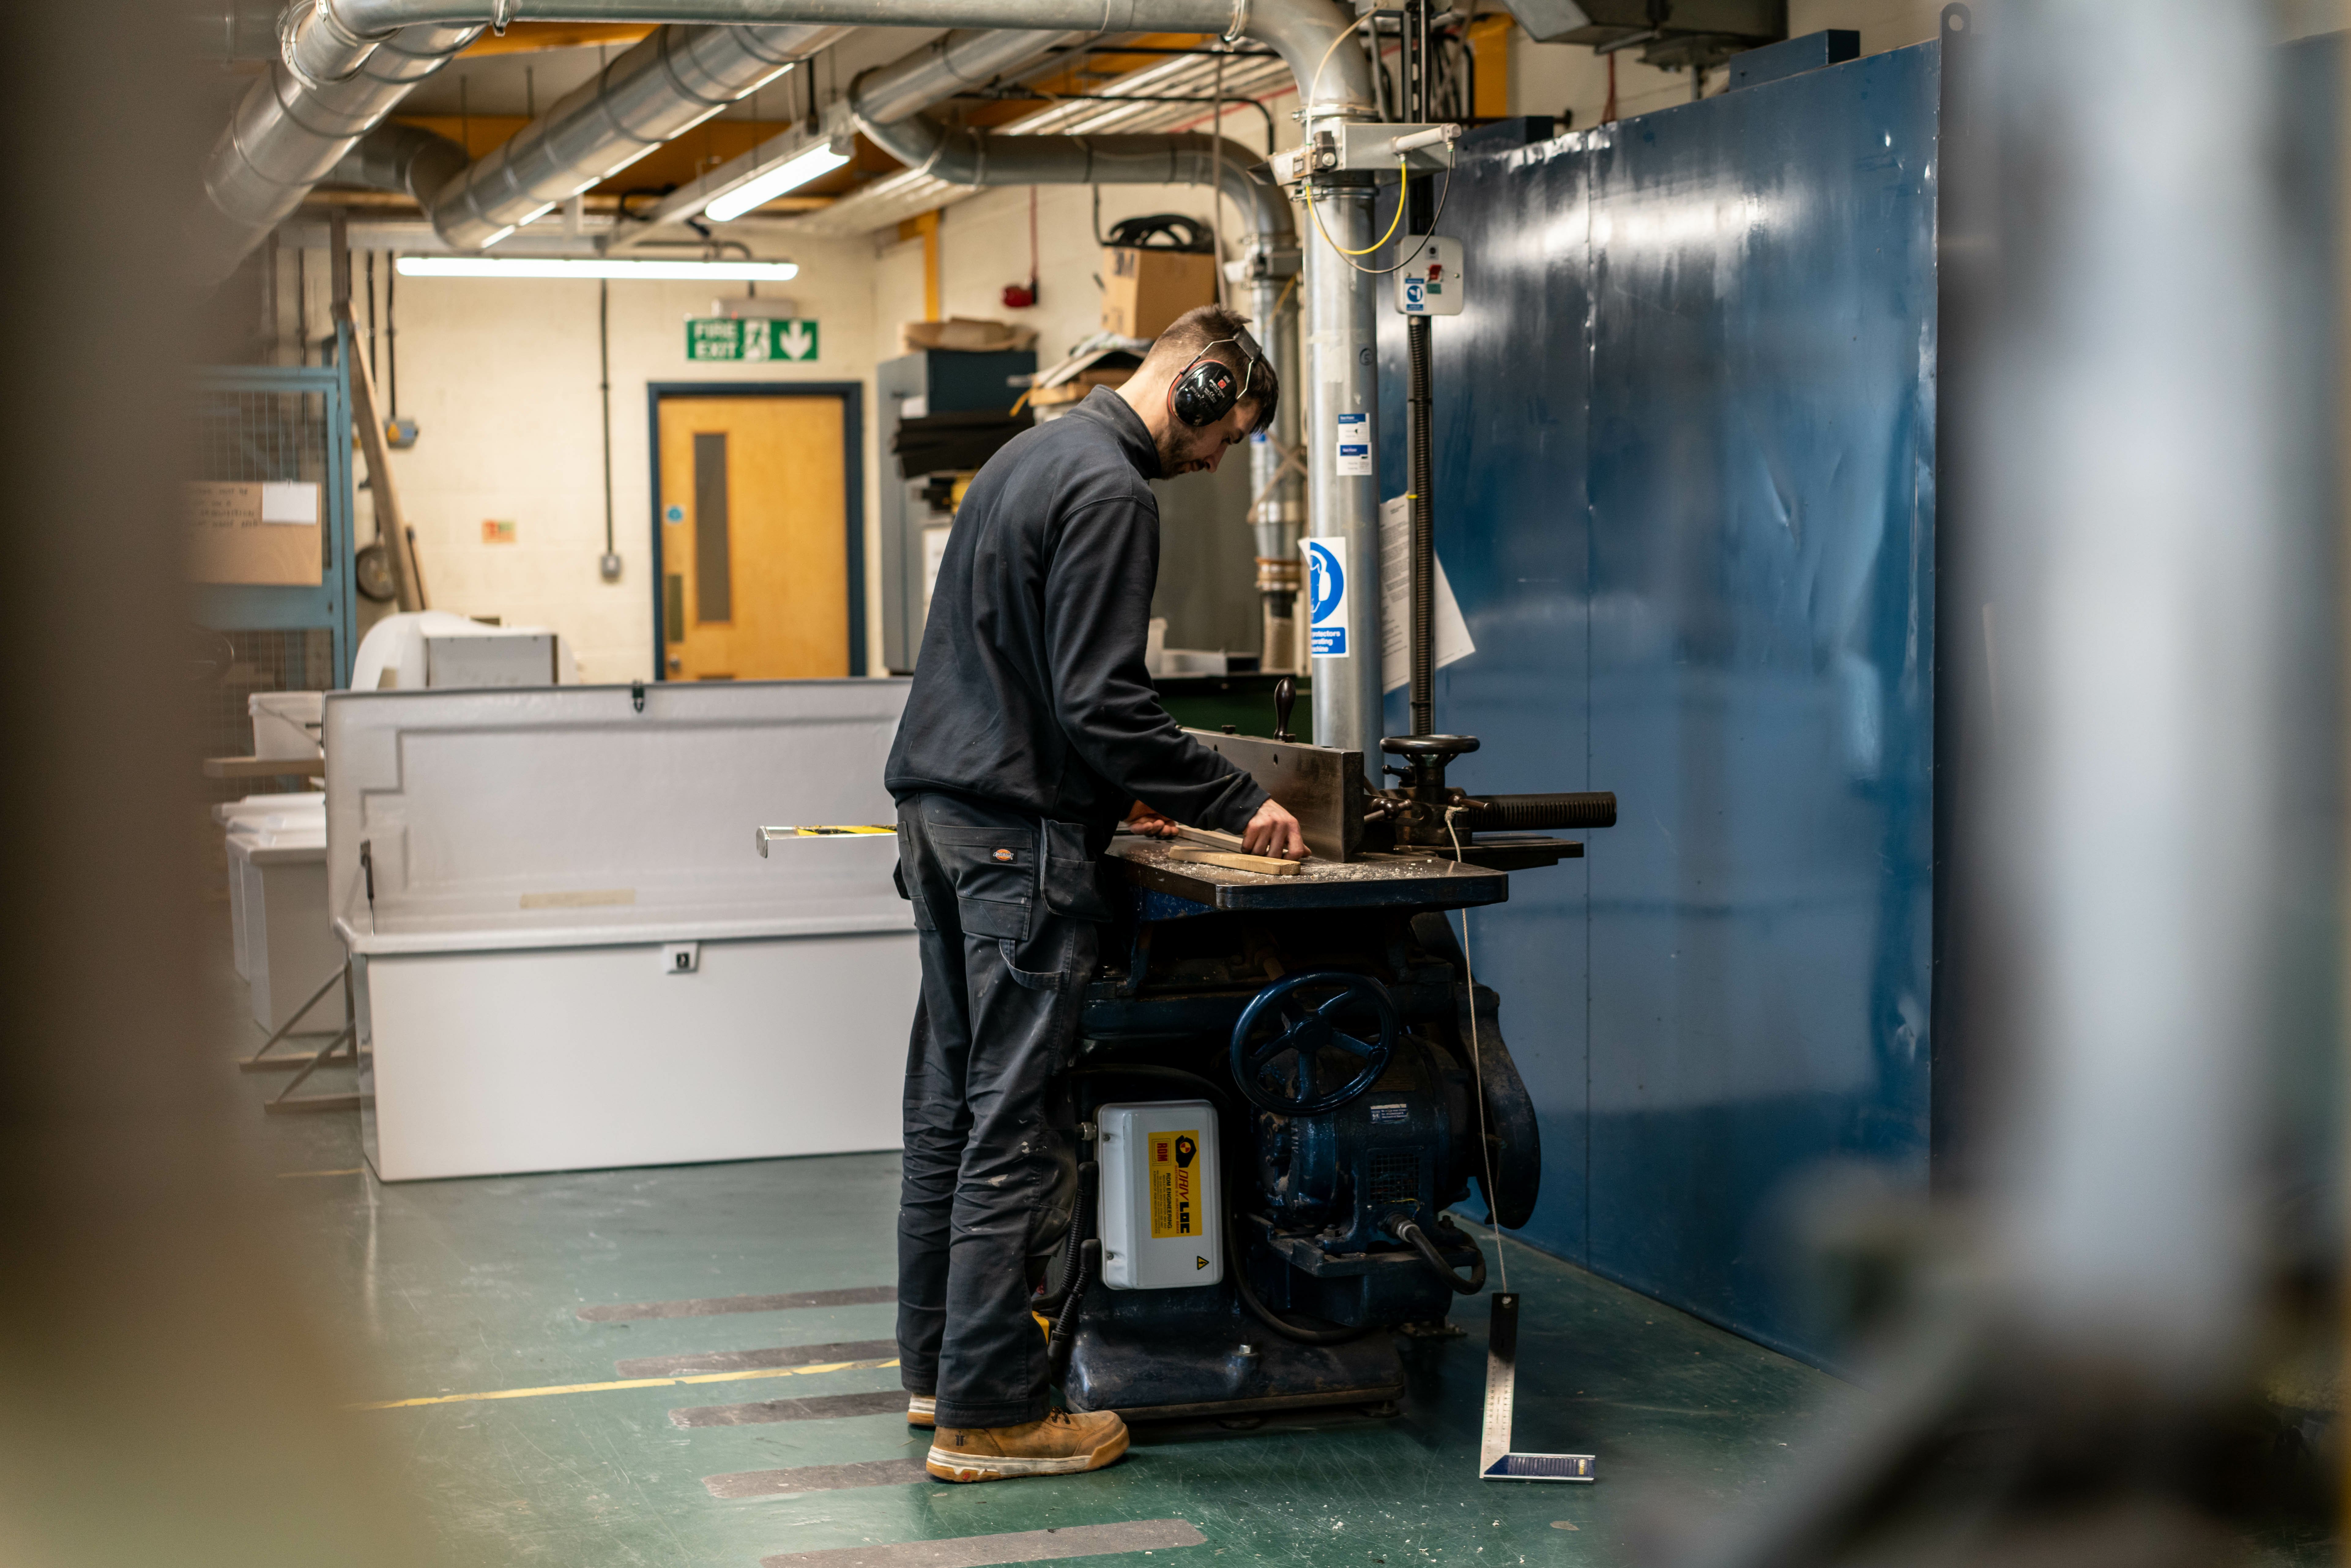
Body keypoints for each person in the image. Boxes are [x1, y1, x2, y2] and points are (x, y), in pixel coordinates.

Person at [884, 304, 1307, 1483]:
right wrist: (1235, 800)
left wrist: (1114, 795)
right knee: (1015, 1123)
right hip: (1015, 849)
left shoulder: (1028, 454)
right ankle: (992, 1416)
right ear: (1204, 389)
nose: (1219, 464)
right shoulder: (1116, 490)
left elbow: (1023, 674)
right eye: (1229, 437)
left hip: (941, 820)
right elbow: (1102, 704)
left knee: (951, 1113)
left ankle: (936, 1372)